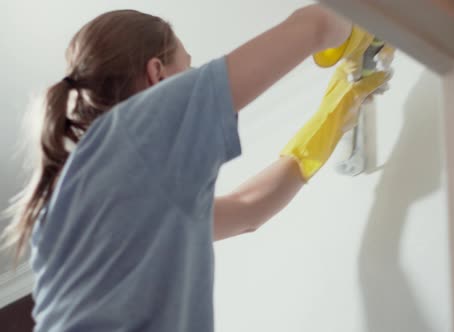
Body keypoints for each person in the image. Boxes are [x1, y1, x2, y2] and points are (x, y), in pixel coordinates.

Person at [3, 5, 390, 331]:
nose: (193, 80)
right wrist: (376, 25)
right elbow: (318, 24)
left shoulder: (88, 200)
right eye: (189, 68)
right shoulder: (133, 131)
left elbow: (248, 209)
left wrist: (337, 108)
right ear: (159, 74)